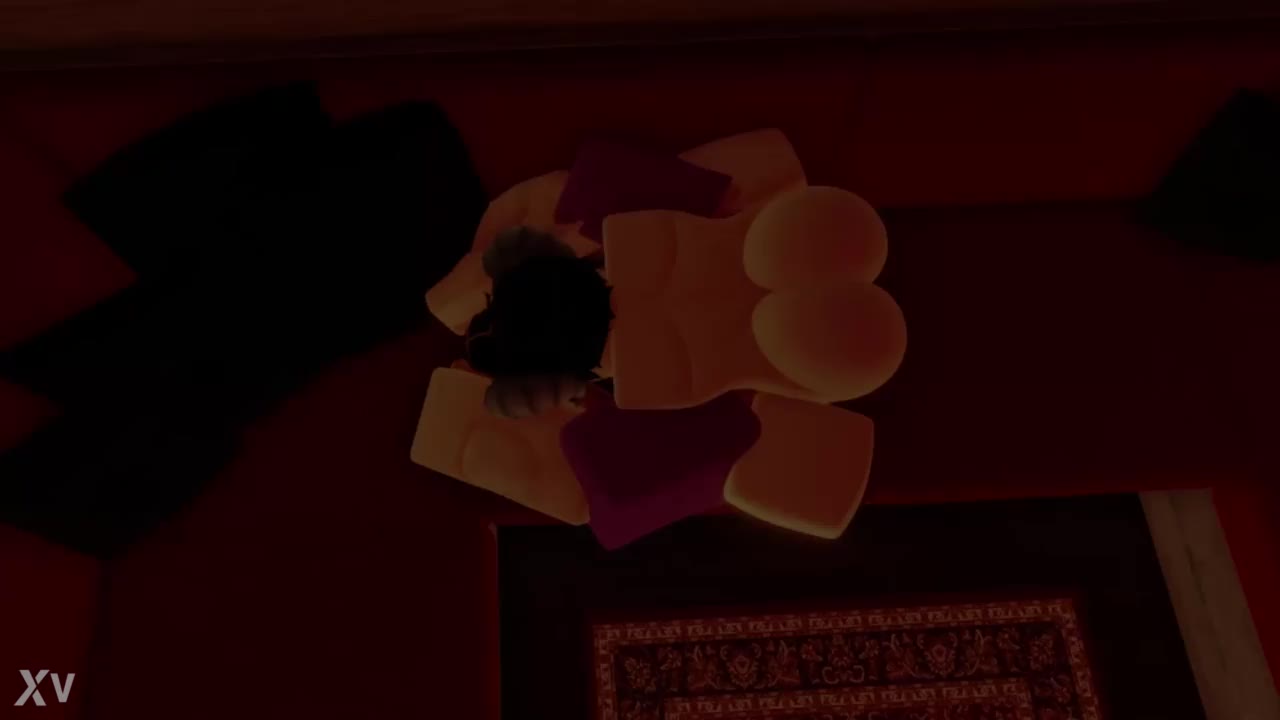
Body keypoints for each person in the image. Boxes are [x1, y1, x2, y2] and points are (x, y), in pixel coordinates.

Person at [464, 226, 614, 419]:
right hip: (600, 281)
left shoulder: (523, 377)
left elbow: (577, 390)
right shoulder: (510, 273)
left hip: (611, 347)